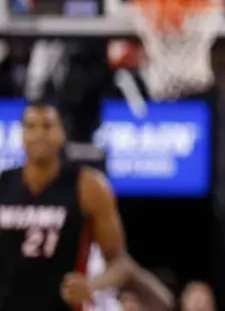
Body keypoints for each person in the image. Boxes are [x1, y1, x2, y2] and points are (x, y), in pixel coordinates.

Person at [0, 101, 134, 310]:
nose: (39, 134)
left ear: (62, 132)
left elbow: (120, 263)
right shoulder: (4, 183)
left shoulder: (88, 186)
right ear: (21, 133)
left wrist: (91, 285)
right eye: (31, 126)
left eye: (47, 126)